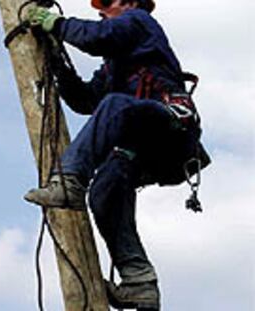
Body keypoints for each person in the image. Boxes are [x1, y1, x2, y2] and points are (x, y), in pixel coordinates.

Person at [24, 0, 210, 310]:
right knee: (104, 191)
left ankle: (69, 182)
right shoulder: (115, 65)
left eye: (107, 3)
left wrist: (55, 23)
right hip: (142, 146)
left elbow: (97, 37)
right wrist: (56, 58)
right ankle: (139, 281)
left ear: (130, 3)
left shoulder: (139, 22)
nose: (101, 10)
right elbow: (85, 101)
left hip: (172, 128)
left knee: (114, 105)